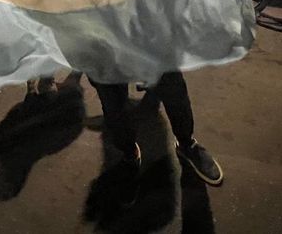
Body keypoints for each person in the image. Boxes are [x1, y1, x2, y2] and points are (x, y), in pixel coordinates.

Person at [91, 71, 222, 204]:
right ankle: (130, 154)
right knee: (113, 104)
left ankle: (186, 143)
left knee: (172, 85)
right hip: (105, 55)